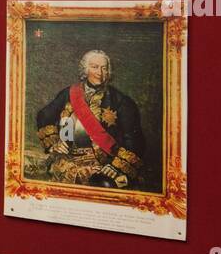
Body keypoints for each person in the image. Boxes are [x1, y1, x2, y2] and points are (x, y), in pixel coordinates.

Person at [35, 49, 145, 189]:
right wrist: (53, 143)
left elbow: (135, 140)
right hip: (68, 159)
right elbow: (44, 115)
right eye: (94, 67)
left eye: (104, 68)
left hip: (104, 162)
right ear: (85, 70)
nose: (100, 73)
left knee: (103, 184)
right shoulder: (68, 93)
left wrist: (116, 167)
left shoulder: (122, 101)